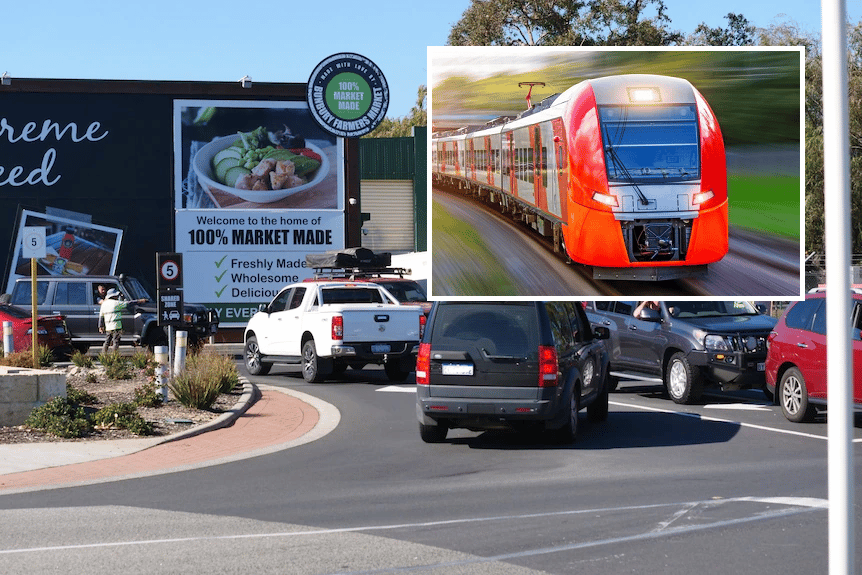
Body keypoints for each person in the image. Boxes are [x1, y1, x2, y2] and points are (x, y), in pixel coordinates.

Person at [98, 288, 145, 354]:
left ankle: (103, 355)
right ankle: (114, 356)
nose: (117, 297)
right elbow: (128, 303)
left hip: (108, 327)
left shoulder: (104, 304)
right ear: (113, 296)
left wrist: (100, 326)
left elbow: (101, 316)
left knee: (107, 341)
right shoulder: (116, 303)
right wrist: (139, 301)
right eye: (116, 295)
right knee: (116, 342)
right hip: (116, 326)